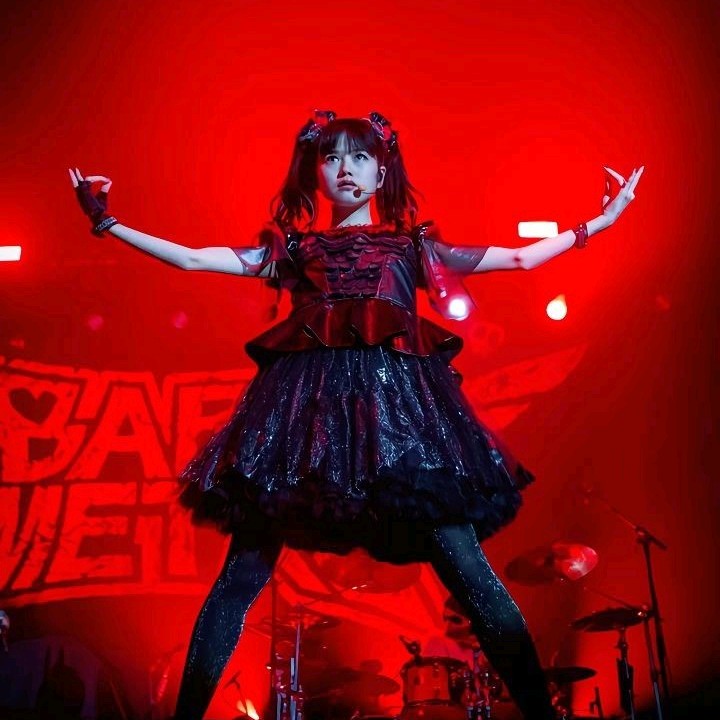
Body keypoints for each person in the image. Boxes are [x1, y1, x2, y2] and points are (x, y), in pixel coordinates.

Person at [69, 110, 643, 720]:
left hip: (401, 430)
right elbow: (191, 260)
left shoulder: (412, 246)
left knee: (469, 571)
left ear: (381, 172)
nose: (346, 168)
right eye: (333, 156)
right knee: (240, 578)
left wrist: (598, 223)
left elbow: (522, 259)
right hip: (304, 432)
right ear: (316, 172)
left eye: (361, 156)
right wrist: (107, 222)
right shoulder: (296, 251)